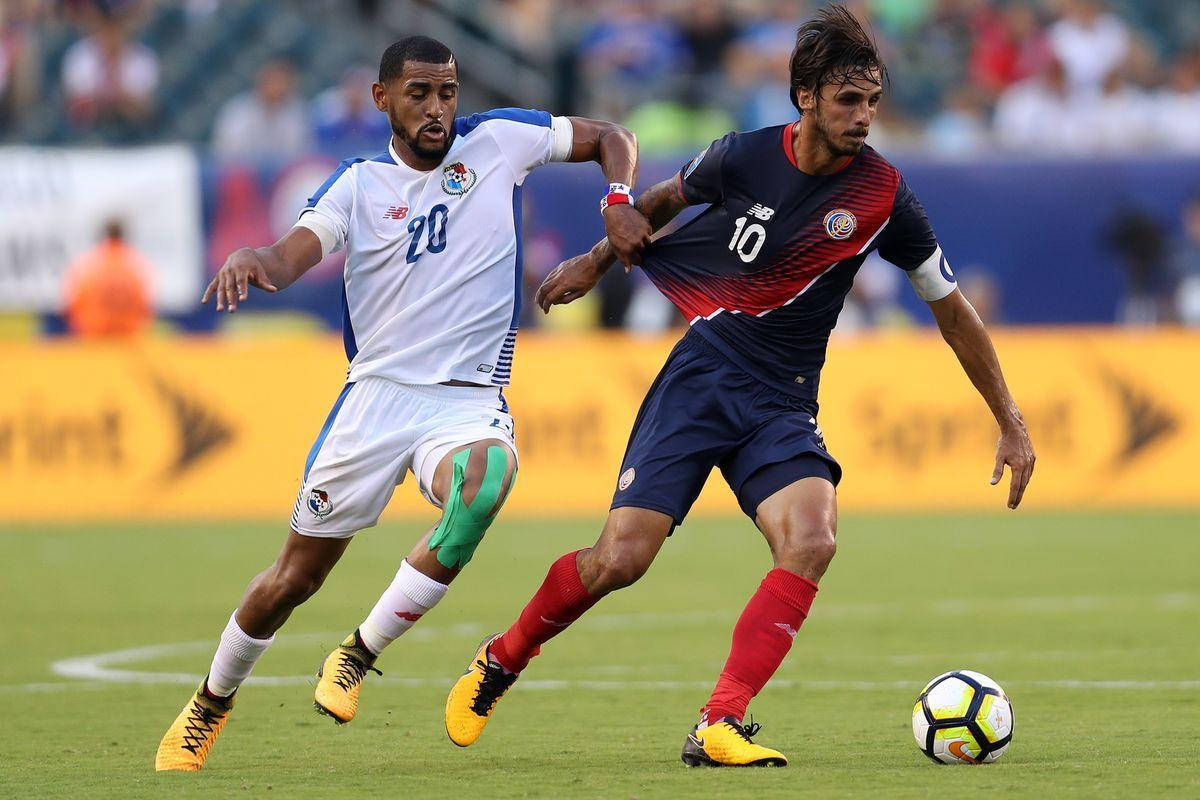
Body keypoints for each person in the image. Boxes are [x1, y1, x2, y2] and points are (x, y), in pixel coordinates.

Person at [443, 5, 1035, 768]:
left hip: (782, 397)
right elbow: (656, 205)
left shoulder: (885, 197)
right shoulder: (742, 157)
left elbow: (951, 310)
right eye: (849, 101)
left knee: (812, 538)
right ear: (806, 98)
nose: (864, 117)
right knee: (620, 560)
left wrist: (1010, 418)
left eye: (873, 102)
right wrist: (593, 261)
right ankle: (500, 660)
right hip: (704, 373)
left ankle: (719, 722)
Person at [154, 35, 651, 772]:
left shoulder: (500, 142)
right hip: (376, 401)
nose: (437, 108)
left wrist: (617, 201)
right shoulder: (357, 186)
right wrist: (252, 259)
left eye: (446, 92)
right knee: (293, 579)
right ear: (382, 98)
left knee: (482, 487)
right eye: (418, 92)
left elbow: (613, 136)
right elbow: (290, 256)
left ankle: (357, 654)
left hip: (468, 401)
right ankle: (210, 703)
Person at [62, 219, 153, 337]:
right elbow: (145, 307)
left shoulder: (88, 266)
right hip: (127, 342)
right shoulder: (137, 267)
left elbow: (71, 306)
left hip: (95, 341)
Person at [210, 59, 313, 161]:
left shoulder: (298, 113)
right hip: (245, 171)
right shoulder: (238, 112)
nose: (277, 86)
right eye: (273, 80)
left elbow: (302, 153)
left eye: (283, 81)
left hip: (285, 173)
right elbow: (225, 154)